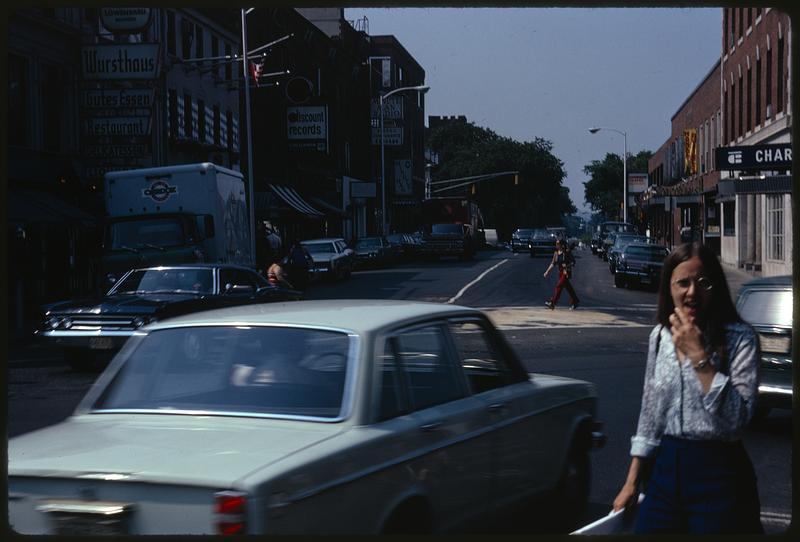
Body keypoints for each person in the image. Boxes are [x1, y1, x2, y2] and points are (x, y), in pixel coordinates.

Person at [612, 241, 762, 534]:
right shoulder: (660, 337)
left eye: (703, 282)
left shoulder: (741, 339)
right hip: (665, 468)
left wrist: (699, 357)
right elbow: (651, 413)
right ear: (669, 288)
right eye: (683, 282)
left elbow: (736, 421)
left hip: (719, 471)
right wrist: (631, 481)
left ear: (716, 287)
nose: (692, 292)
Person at [543, 239, 578, 310]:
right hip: (560, 272)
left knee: (558, 286)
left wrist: (567, 265)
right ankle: (575, 300)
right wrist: (547, 271)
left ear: (561, 245)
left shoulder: (566, 252)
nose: (556, 245)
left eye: (558, 244)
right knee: (568, 288)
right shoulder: (556, 253)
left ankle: (552, 303)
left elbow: (573, 262)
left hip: (566, 272)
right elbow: (553, 263)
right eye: (556, 243)